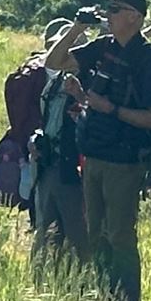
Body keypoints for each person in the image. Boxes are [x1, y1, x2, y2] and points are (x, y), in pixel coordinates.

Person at [40, 0, 151, 301]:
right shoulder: (102, 47)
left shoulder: (147, 59)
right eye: (108, 8)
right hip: (95, 155)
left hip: (125, 160)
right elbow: (53, 63)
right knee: (96, 234)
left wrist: (109, 108)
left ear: (135, 17)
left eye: (115, 9)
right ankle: (105, 299)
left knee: (119, 235)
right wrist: (75, 27)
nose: (108, 14)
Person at [26, 21, 87, 270]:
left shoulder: (90, 80)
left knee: (76, 229)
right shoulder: (53, 82)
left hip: (74, 166)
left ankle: (83, 281)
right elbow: (49, 117)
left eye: (64, 49)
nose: (58, 55)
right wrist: (37, 137)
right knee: (46, 228)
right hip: (49, 163)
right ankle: (41, 282)